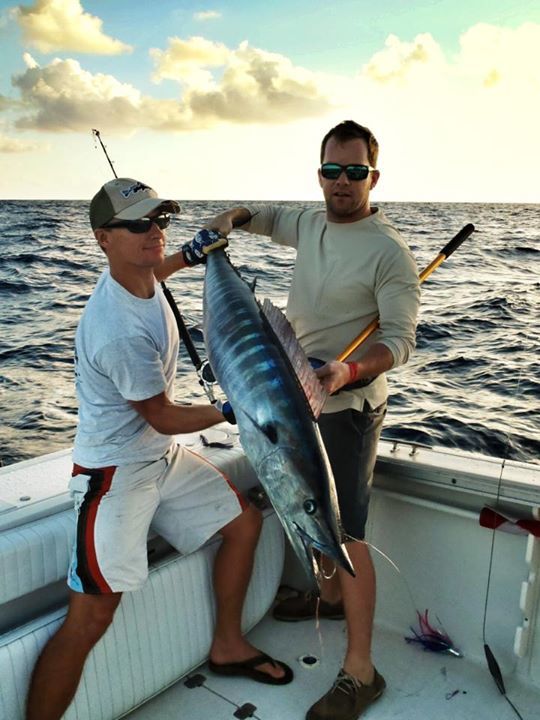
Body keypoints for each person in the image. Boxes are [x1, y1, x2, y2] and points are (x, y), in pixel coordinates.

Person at [25, 177, 292, 720]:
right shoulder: (116, 328)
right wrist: (235, 408)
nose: (155, 233)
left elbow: (153, 273)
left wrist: (186, 259)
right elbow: (165, 416)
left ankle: (227, 645)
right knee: (91, 619)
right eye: (140, 224)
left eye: (162, 220)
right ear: (103, 238)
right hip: (115, 474)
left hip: (159, 458)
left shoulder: (140, 276)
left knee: (244, 525)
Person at [203, 120, 421, 720]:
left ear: (374, 176)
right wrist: (228, 222)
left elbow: (400, 343)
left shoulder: (390, 253)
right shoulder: (311, 222)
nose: (342, 183)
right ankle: (324, 594)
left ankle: (360, 671)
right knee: (305, 505)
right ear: (319, 174)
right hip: (292, 398)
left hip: (346, 406)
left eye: (355, 172)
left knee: (344, 530)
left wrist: (344, 375)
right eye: (332, 171)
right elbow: (264, 216)